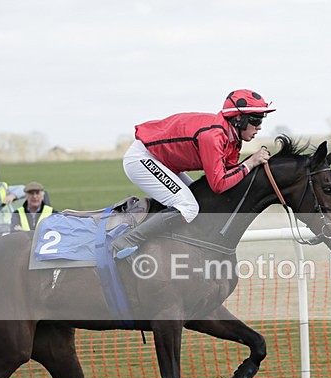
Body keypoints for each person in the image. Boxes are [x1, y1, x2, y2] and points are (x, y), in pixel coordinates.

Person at [112, 89, 276, 259]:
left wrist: (252, 166)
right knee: (188, 207)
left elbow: (230, 175)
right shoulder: (213, 136)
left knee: (201, 201)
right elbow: (219, 184)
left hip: (162, 161)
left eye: (261, 119)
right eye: (256, 120)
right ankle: (127, 241)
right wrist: (250, 162)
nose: (259, 126)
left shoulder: (233, 139)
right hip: (143, 158)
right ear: (238, 118)